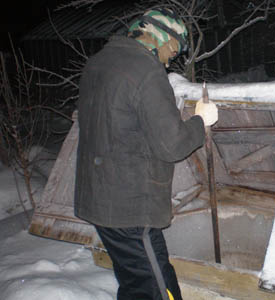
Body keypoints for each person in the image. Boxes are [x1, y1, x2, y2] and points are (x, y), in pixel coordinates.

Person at [74, 8, 218, 300]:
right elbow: (172, 145)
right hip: (130, 209)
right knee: (155, 289)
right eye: (172, 49)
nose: (170, 58)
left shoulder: (99, 62)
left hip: (101, 200)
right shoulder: (146, 70)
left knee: (138, 281)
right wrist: (201, 121)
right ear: (159, 37)